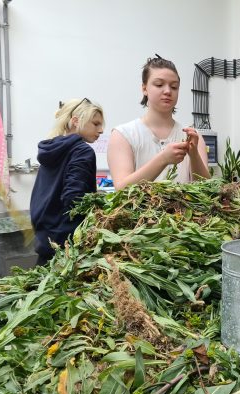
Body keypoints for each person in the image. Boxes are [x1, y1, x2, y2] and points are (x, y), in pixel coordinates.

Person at [108, 55, 210, 190]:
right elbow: (121, 190)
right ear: (144, 88)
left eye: (174, 87)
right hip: (141, 212)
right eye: (159, 84)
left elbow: (207, 189)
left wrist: (194, 154)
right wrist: (163, 159)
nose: (168, 91)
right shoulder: (123, 135)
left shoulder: (193, 136)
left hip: (183, 211)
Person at [30, 98, 105, 265]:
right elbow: (74, 199)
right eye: (96, 124)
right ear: (76, 121)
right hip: (66, 245)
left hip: (45, 237)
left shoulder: (52, 148)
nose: (101, 130)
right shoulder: (82, 151)